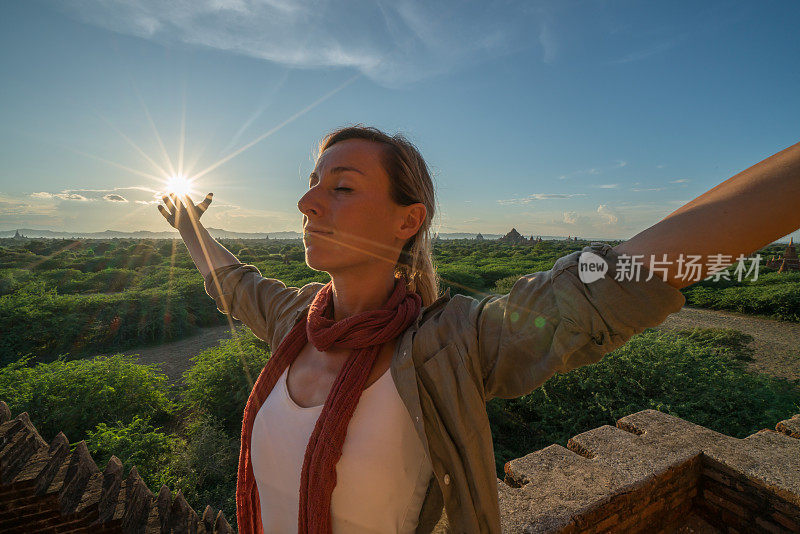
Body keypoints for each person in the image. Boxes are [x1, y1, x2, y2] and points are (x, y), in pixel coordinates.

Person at [158, 126, 800, 533]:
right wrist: (189, 226)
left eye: (342, 187)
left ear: (408, 221)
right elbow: (233, 283)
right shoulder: (296, 320)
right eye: (311, 185)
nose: (307, 203)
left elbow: (601, 287)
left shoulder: (449, 346)